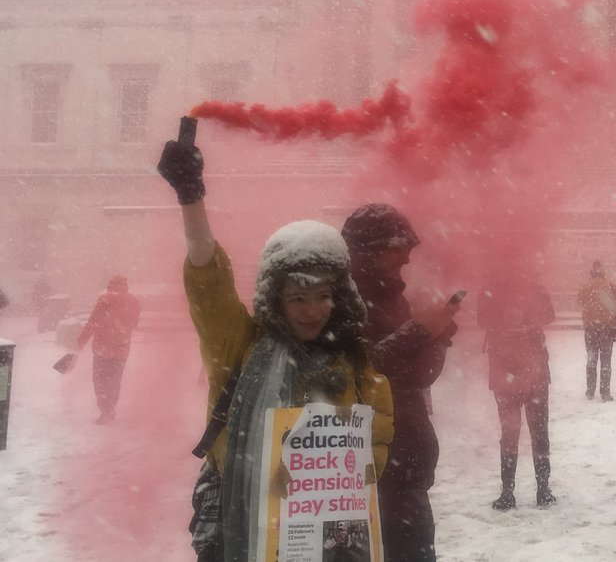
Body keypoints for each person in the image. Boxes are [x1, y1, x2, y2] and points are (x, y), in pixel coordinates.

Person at [157, 137, 394, 562]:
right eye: (297, 298)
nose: (312, 310)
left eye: (322, 295)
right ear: (275, 299)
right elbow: (208, 280)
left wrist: (336, 487)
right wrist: (191, 197)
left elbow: (372, 443)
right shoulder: (239, 344)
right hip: (238, 511)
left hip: (322, 528)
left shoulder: (354, 361)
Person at [342, 203, 461, 562]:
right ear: (370, 249)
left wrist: (436, 336)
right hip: (371, 470)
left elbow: (416, 378)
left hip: (407, 465)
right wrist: (421, 331)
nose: (408, 259)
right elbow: (362, 372)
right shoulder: (344, 303)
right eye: (401, 249)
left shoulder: (394, 298)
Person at [477, 268, 557, 510]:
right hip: (532, 368)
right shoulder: (532, 285)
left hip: (506, 370)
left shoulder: (491, 287)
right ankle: (542, 489)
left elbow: (482, 320)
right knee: (538, 431)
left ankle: (508, 492)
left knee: (510, 434)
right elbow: (549, 316)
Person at [76, 274, 141, 424]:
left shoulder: (105, 300)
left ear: (111, 285)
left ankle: (105, 410)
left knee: (100, 381)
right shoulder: (133, 301)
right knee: (114, 381)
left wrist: (81, 340)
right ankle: (110, 408)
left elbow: (93, 322)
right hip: (121, 350)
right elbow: (134, 323)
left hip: (102, 349)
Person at [577, 260, 616, 401]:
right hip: (607, 328)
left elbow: (579, 301)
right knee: (606, 360)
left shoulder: (586, 286)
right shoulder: (610, 285)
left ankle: (590, 390)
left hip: (591, 327)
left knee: (591, 359)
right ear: (603, 272)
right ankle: (605, 392)